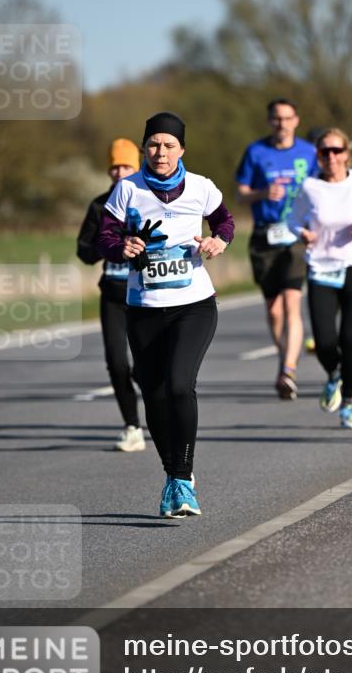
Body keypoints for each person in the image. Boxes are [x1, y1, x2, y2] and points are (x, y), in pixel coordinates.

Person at [98, 112, 234, 517]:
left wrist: (218, 242)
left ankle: (184, 479)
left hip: (194, 304)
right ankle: (173, 476)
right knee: (154, 392)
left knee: (179, 384)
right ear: (144, 148)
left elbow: (225, 222)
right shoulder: (127, 189)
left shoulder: (200, 187)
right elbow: (105, 235)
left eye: (168, 145)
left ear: (182, 150)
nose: (160, 152)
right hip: (144, 309)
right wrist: (119, 248)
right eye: (154, 144)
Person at [287, 128, 352, 430]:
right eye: (324, 152)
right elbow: (292, 219)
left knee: (350, 339)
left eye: (336, 151)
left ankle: (349, 404)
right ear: (318, 155)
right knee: (325, 341)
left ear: (346, 153)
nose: (331, 157)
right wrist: (302, 233)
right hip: (321, 268)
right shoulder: (310, 187)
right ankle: (334, 375)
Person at [235, 98, 318, 399]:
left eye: (287, 118)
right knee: (274, 309)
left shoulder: (309, 153)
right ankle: (285, 356)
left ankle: (289, 369)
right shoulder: (256, 152)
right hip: (264, 237)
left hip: (296, 236)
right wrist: (261, 193)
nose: (281, 123)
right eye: (276, 118)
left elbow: (323, 189)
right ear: (269, 121)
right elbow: (241, 193)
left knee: (292, 302)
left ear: (296, 120)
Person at [77, 138, 144, 451]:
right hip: (113, 295)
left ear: (137, 168)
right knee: (117, 363)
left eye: (126, 166)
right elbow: (84, 250)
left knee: (147, 366)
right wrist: (105, 246)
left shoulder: (148, 199)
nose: (119, 172)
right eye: (114, 166)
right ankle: (132, 427)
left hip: (146, 294)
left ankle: (160, 415)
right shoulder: (99, 206)